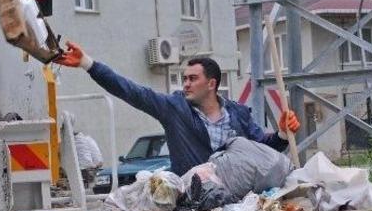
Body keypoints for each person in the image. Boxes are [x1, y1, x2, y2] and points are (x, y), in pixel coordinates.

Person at [55, 41, 300, 177]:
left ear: (212, 83)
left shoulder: (239, 115)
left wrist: (281, 133)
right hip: (196, 202)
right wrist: (88, 64)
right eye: (184, 78)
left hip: (239, 200)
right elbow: (131, 91)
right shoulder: (174, 109)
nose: (185, 84)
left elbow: (265, 151)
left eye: (193, 79)